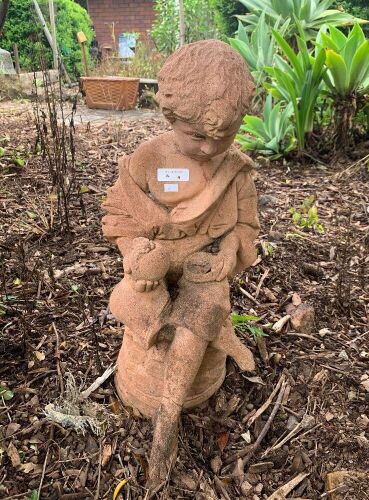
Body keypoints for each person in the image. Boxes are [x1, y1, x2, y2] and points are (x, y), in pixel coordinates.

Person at [102, 39, 260, 485]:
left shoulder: (236, 171)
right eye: (197, 136)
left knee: (202, 309)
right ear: (169, 117)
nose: (211, 149)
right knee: (141, 306)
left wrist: (230, 251)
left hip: (204, 263)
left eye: (223, 136)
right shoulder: (148, 161)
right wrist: (134, 252)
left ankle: (167, 421)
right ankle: (207, 341)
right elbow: (118, 216)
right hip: (155, 262)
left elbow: (247, 227)